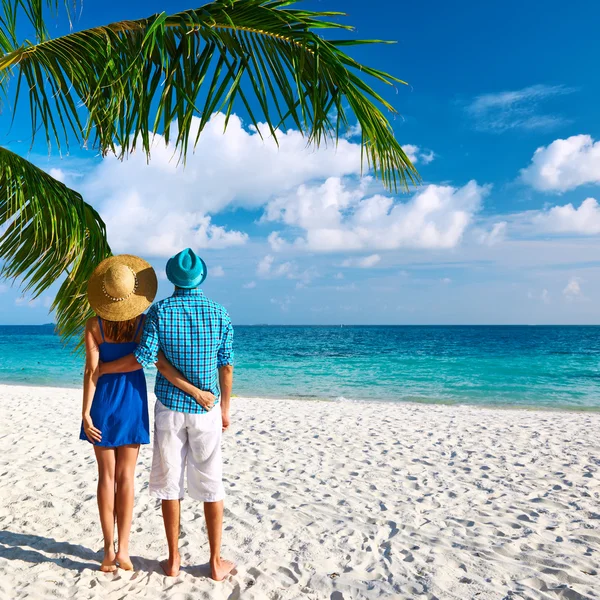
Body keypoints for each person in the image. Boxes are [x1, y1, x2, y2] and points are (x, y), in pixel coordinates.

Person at [100, 248, 235, 581]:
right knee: (211, 483)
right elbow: (226, 366)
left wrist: (103, 368)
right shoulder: (219, 313)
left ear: (171, 279)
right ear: (201, 277)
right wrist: (226, 408)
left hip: (170, 411)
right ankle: (215, 562)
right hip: (206, 411)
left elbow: (143, 358)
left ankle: (173, 560)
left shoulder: (159, 311)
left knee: (170, 484)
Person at [81, 254, 158, 572]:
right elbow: (145, 359)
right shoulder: (143, 324)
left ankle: (108, 552)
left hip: (102, 404)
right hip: (131, 403)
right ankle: (124, 551)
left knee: (105, 478)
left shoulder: (93, 324)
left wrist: (85, 413)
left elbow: (91, 371)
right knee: (126, 479)